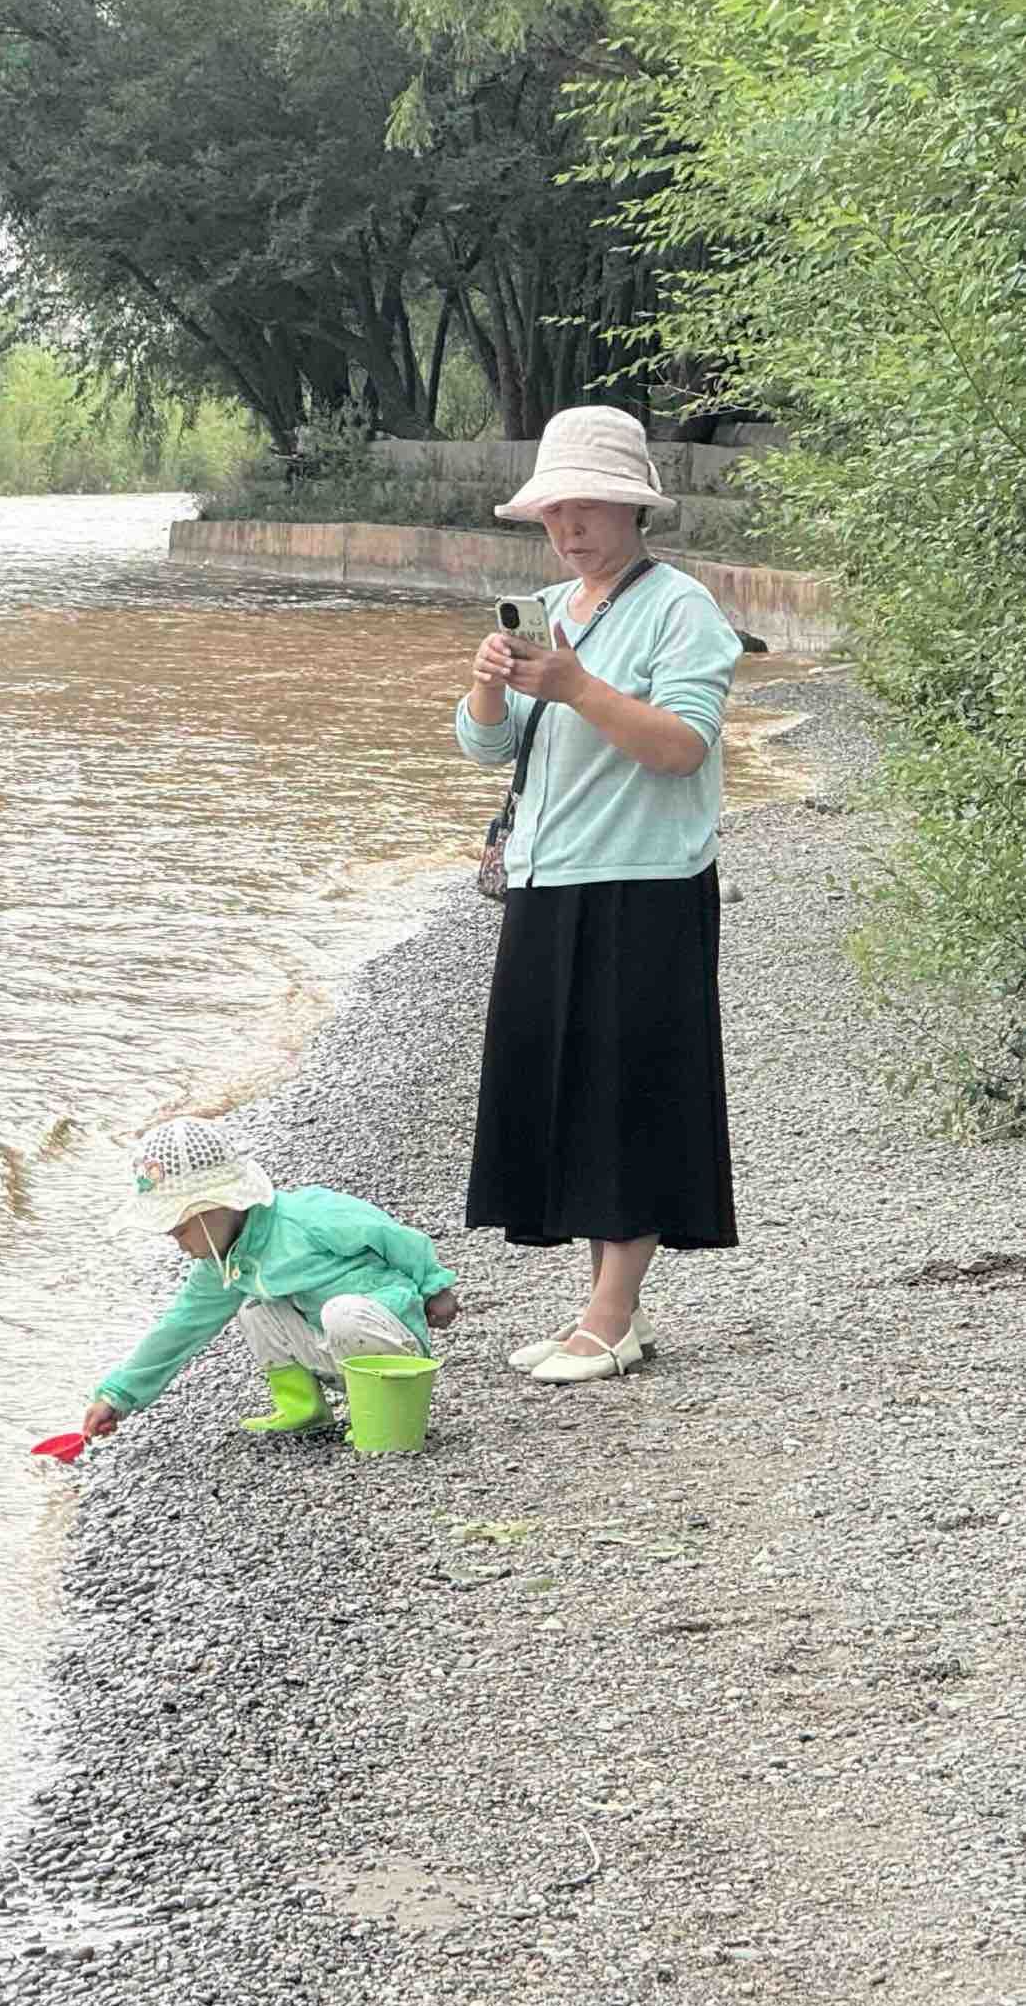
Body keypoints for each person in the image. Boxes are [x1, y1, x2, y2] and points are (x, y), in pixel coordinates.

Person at [461, 406, 744, 1384]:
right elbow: (488, 748)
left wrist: (577, 686)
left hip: (643, 883)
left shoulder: (680, 607)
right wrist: (491, 686)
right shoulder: (549, 606)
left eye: (587, 509)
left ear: (631, 507)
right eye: (553, 512)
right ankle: (600, 1310)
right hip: (547, 878)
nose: (569, 529)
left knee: (630, 1098)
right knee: (571, 1095)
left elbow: (680, 748)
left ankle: (610, 1314)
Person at [79, 1117, 461, 1443]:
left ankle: (383, 1419)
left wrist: (434, 1287)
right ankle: (302, 1407)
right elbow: (180, 1328)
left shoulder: (305, 1217)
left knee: (341, 1312)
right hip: (335, 1352)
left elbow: (394, 1237)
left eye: (178, 1231)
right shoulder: (227, 1263)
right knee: (254, 1305)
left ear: (211, 1209)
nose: (178, 1245)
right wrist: (117, 1396)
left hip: (391, 1348)